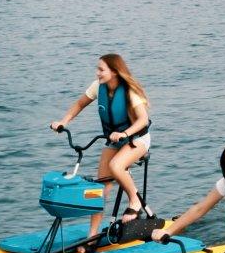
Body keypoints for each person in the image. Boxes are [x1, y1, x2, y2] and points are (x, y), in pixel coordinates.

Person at [50, 53, 152, 235]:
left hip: (137, 139)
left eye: (101, 69)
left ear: (114, 72)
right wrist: (63, 121)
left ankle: (135, 202)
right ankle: (92, 234)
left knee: (116, 166)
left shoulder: (129, 90)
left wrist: (125, 133)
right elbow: (80, 104)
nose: (97, 73)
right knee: (99, 190)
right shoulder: (99, 87)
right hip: (114, 141)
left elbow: (143, 120)